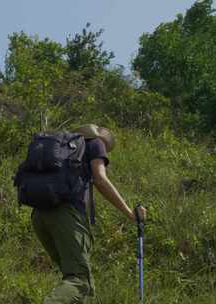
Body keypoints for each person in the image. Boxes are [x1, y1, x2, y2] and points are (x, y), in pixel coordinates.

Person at [31, 124, 147, 304]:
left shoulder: (62, 148)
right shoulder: (95, 143)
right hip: (67, 216)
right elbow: (100, 179)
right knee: (80, 281)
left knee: (78, 283)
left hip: (39, 215)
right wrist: (130, 214)